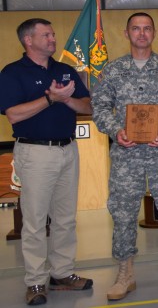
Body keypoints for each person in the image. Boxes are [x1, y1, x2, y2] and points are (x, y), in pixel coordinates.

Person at [91, 12, 158, 301]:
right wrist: (115, 131)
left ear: (154, 33)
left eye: (146, 28)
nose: (141, 33)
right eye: (135, 29)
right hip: (126, 154)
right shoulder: (112, 71)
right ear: (126, 34)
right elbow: (99, 108)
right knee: (123, 213)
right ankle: (125, 273)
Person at [0, 18, 94, 306]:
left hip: (68, 150)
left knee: (65, 218)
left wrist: (67, 100)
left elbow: (88, 107)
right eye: (47, 35)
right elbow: (13, 114)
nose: (53, 38)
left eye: (53, 33)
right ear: (28, 40)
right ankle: (36, 280)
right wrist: (51, 99)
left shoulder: (64, 71)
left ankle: (62, 272)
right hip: (35, 153)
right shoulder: (13, 73)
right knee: (35, 221)